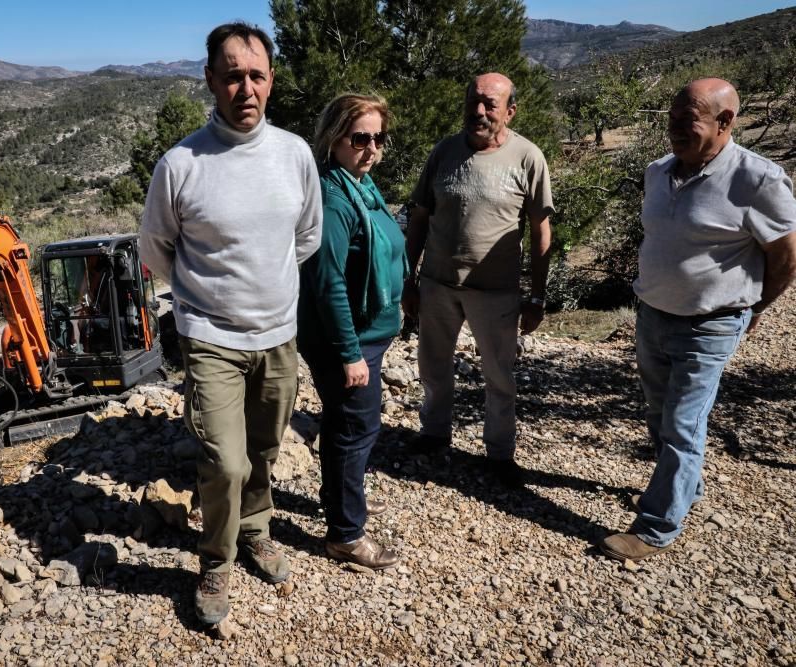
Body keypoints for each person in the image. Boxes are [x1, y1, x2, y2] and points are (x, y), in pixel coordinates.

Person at [139, 22, 322, 624]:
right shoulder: (181, 163)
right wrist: (206, 299)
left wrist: (264, 287)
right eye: (233, 75)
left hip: (278, 335)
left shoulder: (295, 154)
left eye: (257, 75)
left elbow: (306, 237)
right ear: (211, 81)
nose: (246, 87)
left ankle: (255, 528)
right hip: (212, 337)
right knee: (224, 461)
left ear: (271, 82)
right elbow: (156, 249)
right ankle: (215, 562)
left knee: (265, 449)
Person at [600, 78, 796, 562]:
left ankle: (656, 527)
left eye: (687, 121)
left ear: (725, 122)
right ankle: (686, 488)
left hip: (710, 324)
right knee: (657, 413)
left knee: (683, 423)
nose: (674, 131)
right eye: (670, 120)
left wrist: (756, 307)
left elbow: (786, 255)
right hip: (653, 315)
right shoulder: (657, 171)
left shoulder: (759, 180)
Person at [402, 72, 554, 487]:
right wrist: (408, 279)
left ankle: (500, 454)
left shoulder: (528, 157)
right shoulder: (444, 152)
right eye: (473, 101)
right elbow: (419, 218)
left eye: (490, 104)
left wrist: (536, 297)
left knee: (499, 376)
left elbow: (541, 230)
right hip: (437, 283)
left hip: (496, 291)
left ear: (510, 110)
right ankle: (434, 434)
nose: (479, 111)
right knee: (433, 367)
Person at [298, 94, 405, 570]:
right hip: (347, 339)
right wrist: (348, 353)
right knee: (355, 427)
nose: (372, 148)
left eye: (379, 137)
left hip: (368, 334)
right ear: (334, 139)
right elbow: (328, 282)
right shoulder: (334, 199)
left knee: (351, 424)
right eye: (360, 137)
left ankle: (345, 497)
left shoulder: (363, 188)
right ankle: (345, 533)